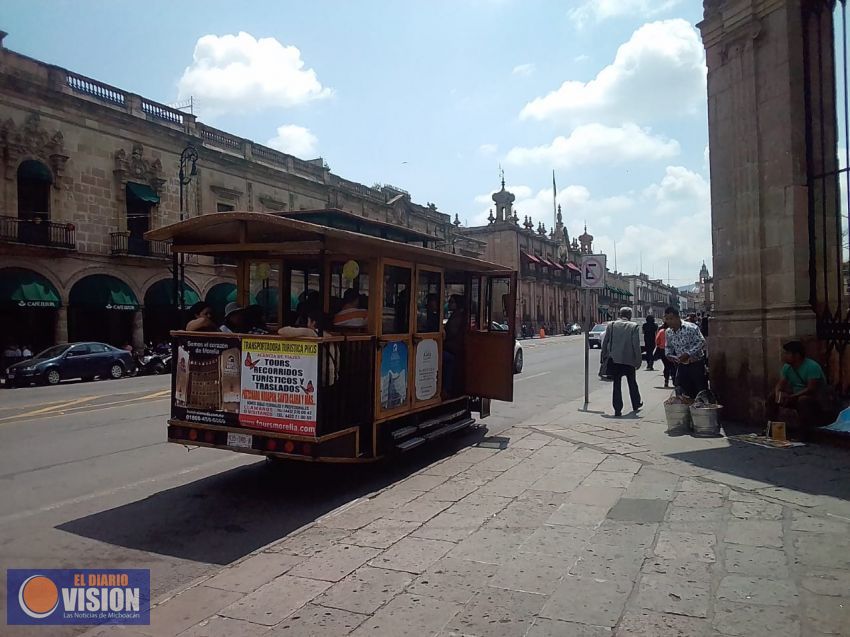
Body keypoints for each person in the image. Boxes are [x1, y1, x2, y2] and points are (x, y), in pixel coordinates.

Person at [768, 340, 833, 430]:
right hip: (795, 395)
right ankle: (771, 428)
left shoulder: (812, 366)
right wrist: (778, 393)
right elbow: (781, 382)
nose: (785, 356)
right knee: (772, 397)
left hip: (815, 398)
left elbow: (811, 389)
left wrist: (792, 396)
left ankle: (805, 432)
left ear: (797, 355)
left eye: (788, 353)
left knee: (803, 401)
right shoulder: (787, 367)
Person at [602, 307, 642, 417]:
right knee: (632, 382)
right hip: (629, 360)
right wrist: (638, 361)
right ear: (629, 315)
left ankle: (617, 409)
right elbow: (636, 346)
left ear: (619, 314)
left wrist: (604, 356)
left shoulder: (612, 325)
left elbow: (605, 342)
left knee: (616, 384)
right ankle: (636, 403)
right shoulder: (633, 326)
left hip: (615, 359)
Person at [664, 306, 707, 398]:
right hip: (681, 365)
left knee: (700, 390)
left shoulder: (691, 328)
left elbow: (701, 342)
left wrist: (688, 353)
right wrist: (669, 355)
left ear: (678, 317)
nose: (669, 321)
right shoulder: (668, 332)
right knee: (682, 391)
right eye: (667, 319)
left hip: (695, 363)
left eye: (671, 319)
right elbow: (669, 346)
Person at [442, 294, 466, 397]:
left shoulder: (458, 316)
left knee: (448, 359)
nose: (449, 304)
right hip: (450, 346)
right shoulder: (455, 315)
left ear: (457, 304)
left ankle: (446, 389)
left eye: (451, 302)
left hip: (452, 348)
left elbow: (452, 332)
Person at [655, 320, 675, 389]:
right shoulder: (673, 331)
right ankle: (674, 381)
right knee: (672, 366)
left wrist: (660, 345)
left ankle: (666, 381)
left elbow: (657, 340)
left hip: (662, 350)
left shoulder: (661, 331)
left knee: (666, 366)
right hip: (672, 350)